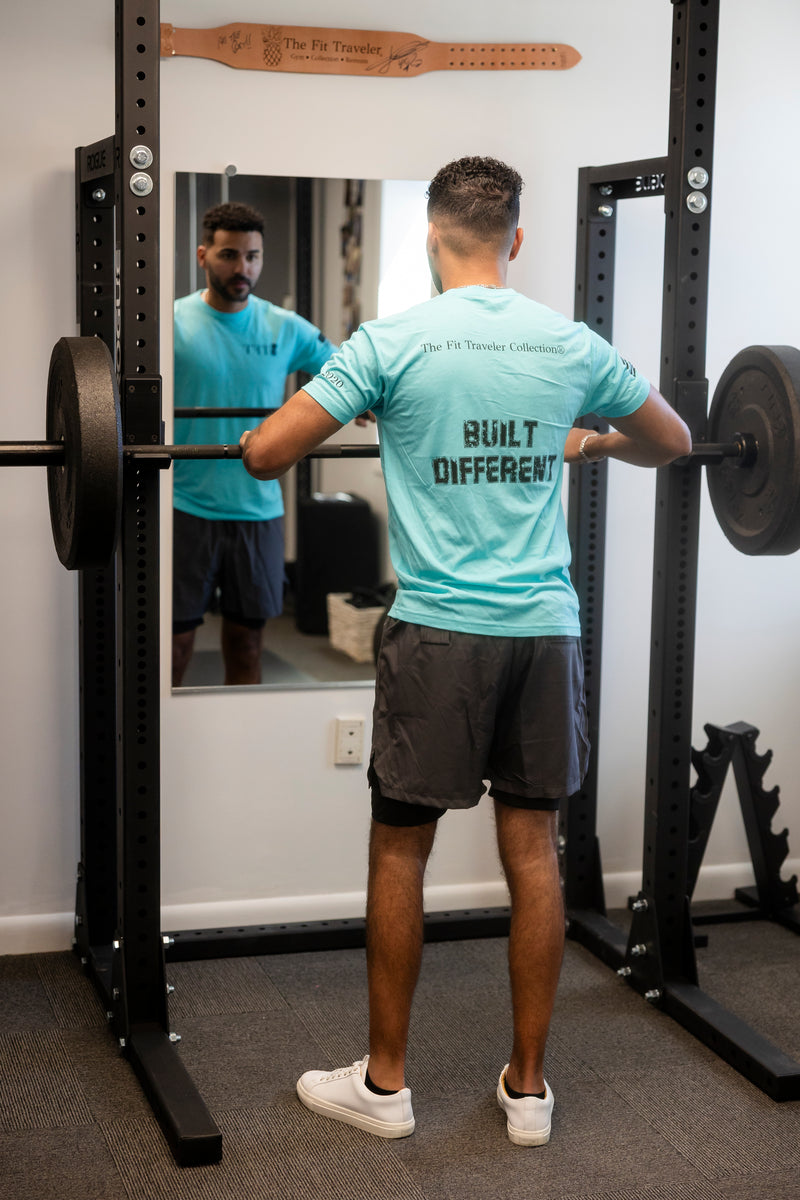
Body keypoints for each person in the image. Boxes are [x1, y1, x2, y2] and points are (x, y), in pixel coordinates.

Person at [240, 157, 691, 1145]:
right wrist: (590, 441)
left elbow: (268, 454)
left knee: (401, 848)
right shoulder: (568, 342)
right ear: (514, 240)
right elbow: (669, 440)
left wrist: (345, 409)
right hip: (542, 630)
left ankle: (387, 1086)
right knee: (532, 852)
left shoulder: (392, 341)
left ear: (429, 237)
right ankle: (527, 1092)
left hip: (441, 634)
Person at [171, 201, 336, 686]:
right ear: (203, 256)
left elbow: (344, 371)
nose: (242, 268)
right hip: (185, 506)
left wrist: (372, 402)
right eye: (228, 255)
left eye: (252, 256)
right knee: (174, 648)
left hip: (257, 510)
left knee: (247, 646)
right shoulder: (171, 322)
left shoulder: (285, 326)